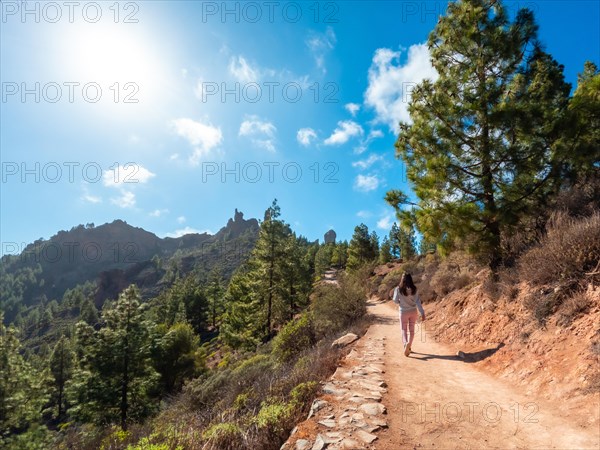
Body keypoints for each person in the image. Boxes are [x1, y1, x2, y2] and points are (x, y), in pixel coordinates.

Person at [392, 272, 425, 357]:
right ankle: (409, 345)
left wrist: (400, 302)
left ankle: (405, 343)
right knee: (412, 330)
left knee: (404, 329)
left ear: (402, 279)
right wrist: (422, 313)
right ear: (411, 279)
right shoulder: (414, 289)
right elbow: (418, 302)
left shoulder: (398, 289)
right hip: (413, 312)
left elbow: (395, 300)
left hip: (403, 312)